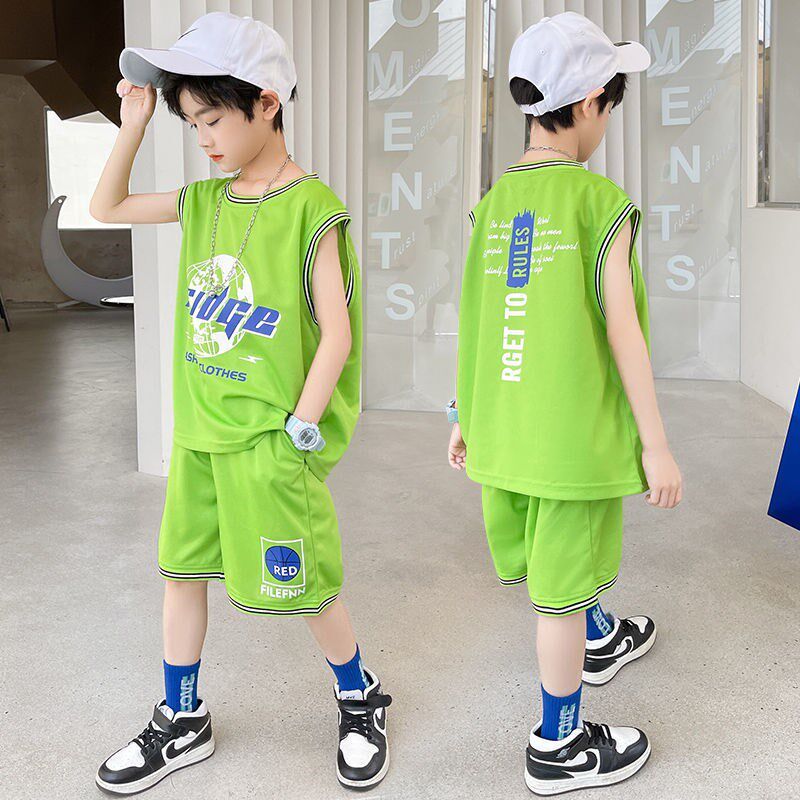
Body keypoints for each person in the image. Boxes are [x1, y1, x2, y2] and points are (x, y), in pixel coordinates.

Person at [90, 12, 390, 794]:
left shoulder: (312, 207)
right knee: (182, 574)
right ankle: (181, 716)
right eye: (192, 124)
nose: (204, 139)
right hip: (200, 435)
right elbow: (108, 206)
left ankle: (360, 696)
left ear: (266, 103)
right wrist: (134, 124)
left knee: (306, 582)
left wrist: (299, 429)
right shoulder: (204, 201)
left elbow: (337, 335)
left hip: (268, 441)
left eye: (213, 119)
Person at [447, 12, 682, 795]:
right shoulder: (597, 201)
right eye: (609, 105)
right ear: (586, 102)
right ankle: (560, 743)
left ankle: (601, 635)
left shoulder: (490, 205)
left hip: (502, 436)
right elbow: (624, 330)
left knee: (557, 567)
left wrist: (461, 412)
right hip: (569, 446)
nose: (606, 122)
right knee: (558, 593)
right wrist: (655, 444)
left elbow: (478, 317)